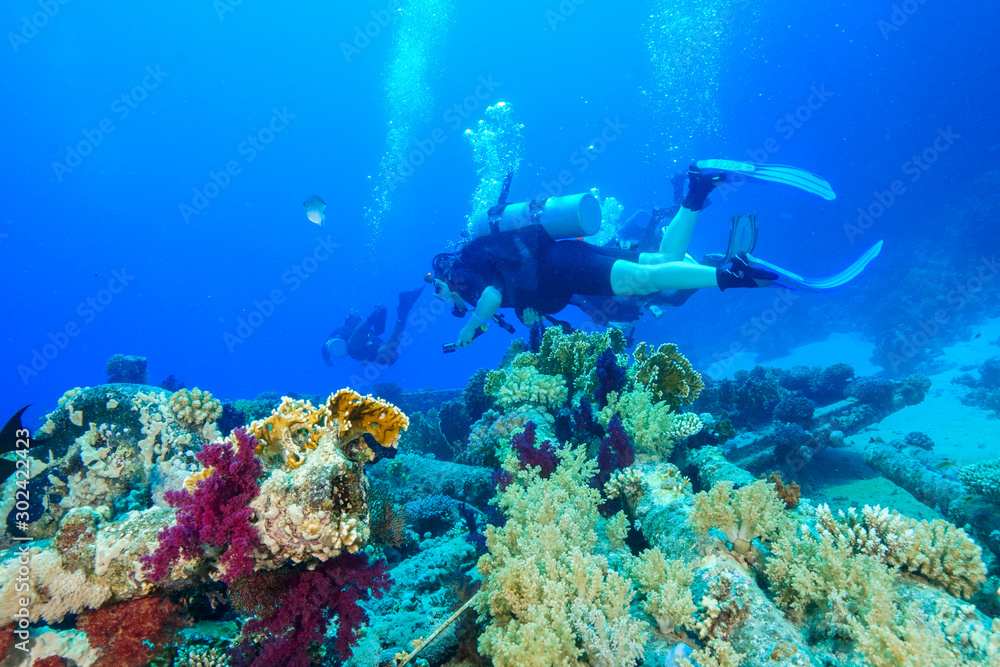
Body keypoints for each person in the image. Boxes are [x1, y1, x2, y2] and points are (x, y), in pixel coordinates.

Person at [429, 164, 882, 348]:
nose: (452, 300)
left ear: (444, 277)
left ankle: (731, 273)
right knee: (660, 266)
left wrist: (472, 326)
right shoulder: (482, 258)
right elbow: (528, 294)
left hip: (564, 265)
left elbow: (489, 294)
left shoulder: (462, 272)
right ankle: (698, 188)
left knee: (647, 280)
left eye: (446, 296)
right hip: (565, 263)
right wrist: (531, 313)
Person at [322, 287, 423, 366]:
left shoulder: (369, 332)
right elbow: (325, 346)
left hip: (369, 349)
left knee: (388, 356)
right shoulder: (341, 331)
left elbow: (375, 337)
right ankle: (396, 313)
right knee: (357, 343)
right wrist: (327, 360)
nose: (355, 321)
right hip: (357, 350)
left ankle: (402, 312)